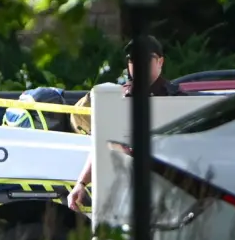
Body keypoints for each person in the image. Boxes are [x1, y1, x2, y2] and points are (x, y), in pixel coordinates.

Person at [66, 36, 182, 212]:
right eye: (133, 60)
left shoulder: (178, 99)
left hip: (170, 190)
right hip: (125, 191)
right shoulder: (117, 99)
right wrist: (81, 183)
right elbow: (101, 144)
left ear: (160, 61)